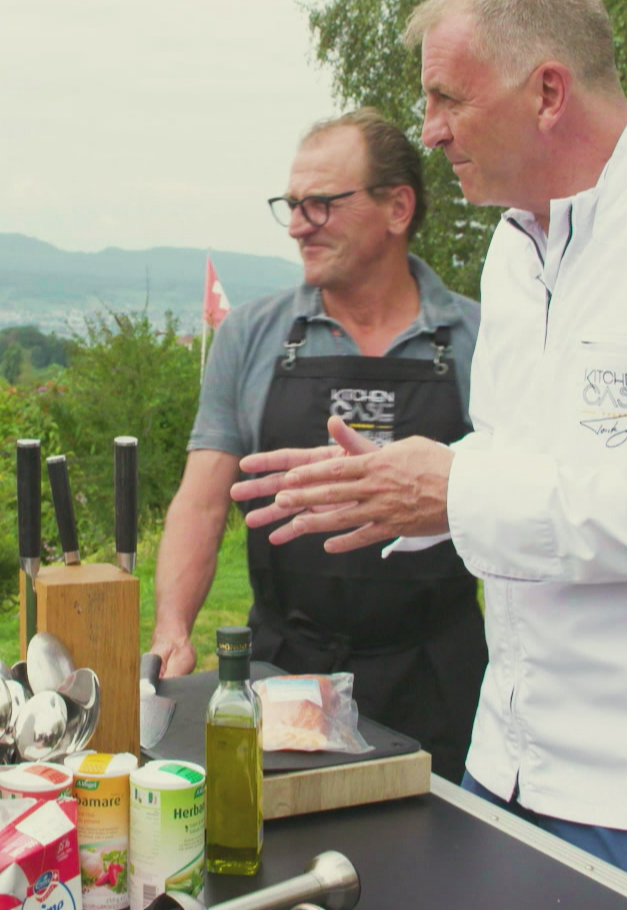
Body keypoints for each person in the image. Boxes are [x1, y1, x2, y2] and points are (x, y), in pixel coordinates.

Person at [232, 0, 627, 910]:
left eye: (446, 100)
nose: (428, 133)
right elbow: (534, 466)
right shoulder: (518, 249)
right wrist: (402, 486)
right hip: (510, 766)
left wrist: (457, 492)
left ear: (547, 91)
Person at [148, 108, 487, 783]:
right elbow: (203, 503)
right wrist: (172, 631)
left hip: (438, 678)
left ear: (398, 208)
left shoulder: (485, 339)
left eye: (322, 204)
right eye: (293, 205)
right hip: (284, 674)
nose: (300, 224)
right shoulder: (250, 336)